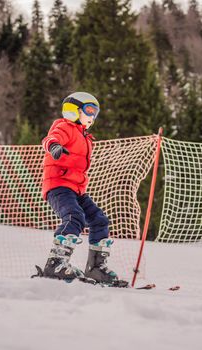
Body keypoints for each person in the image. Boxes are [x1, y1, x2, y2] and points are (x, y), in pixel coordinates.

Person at [39, 92, 126, 287]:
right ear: (73, 110)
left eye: (95, 112)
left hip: (76, 189)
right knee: (74, 216)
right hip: (58, 185)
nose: (92, 116)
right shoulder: (65, 127)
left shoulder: (85, 137)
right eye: (89, 110)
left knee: (99, 219)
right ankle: (56, 262)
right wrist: (54, 147)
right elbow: (50, 138)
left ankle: (95, 267)